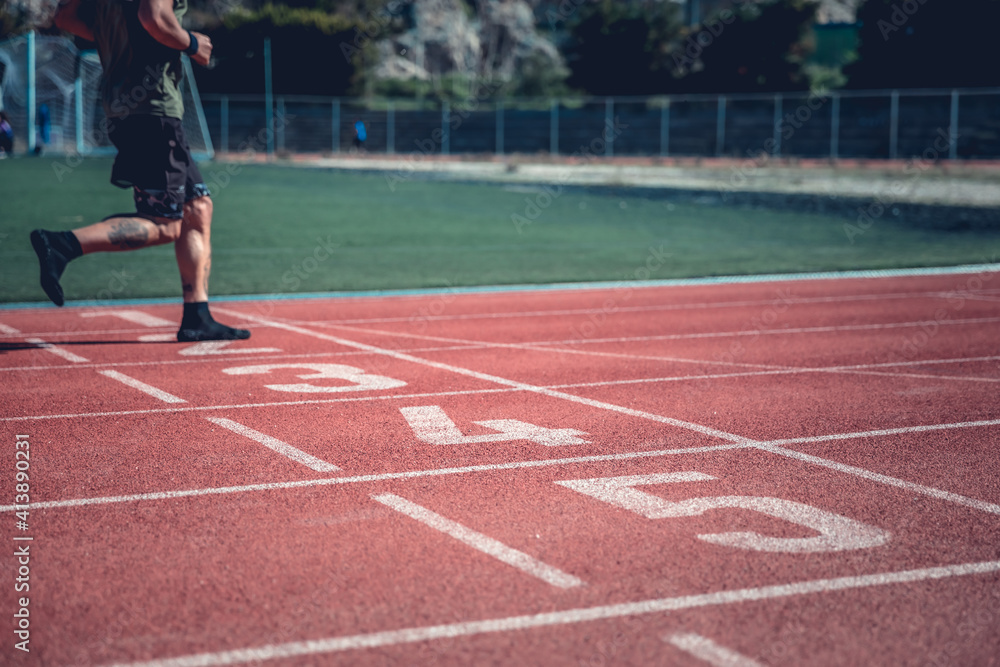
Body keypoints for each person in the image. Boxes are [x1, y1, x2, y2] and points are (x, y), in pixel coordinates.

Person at [34, 0, 249, 342]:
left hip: (126, 107)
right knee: (166, 225)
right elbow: (154, 17)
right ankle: (63, 245)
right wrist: (193, 43)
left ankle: (197, 315)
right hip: (153, 108)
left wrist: (120, 37)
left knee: (197, 208)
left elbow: (65, 17)